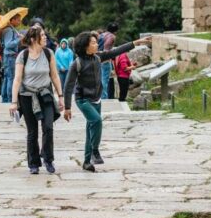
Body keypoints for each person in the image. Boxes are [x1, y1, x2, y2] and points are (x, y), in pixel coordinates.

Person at [64, 32, 152, 172]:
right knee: (97, 121)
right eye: (93, 43)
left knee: (90, 129)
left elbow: (116, 51)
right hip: (83, 99)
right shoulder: (77, 63)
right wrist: (67, 107)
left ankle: (87, 162)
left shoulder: (98, 57)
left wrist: (137, 42)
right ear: (85, 46)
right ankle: (95, 150)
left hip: (96, 99)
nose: (96, 44)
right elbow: (68, 85)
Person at [9, 26, 67, 174]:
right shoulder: (23, 55)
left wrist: (60, 97)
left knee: (48, 127)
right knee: (32, 132)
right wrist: (14, 102)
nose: (45, 37)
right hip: (27, 97)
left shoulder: (49, 53)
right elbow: (17, 79)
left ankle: (48, 159)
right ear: (34, 39)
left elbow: (54, 76)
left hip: (45, 95)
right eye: (42, 35)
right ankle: (33, 163)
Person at [0, 13, 23, 104]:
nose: (19, 22)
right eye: (18, 20)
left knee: (7, 77)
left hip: (7, 56)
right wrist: (19, 39)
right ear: (12, 20)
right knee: (11, 78)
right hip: (10, 56)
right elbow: (8, 44)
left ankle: (5, 98)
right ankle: (9, 99)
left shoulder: (9, 29)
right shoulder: (9, 30)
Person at [99, 23, 118, 99]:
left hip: (98, 60)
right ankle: (103, 98)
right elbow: (106, 47)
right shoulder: (112, 36)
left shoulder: (102, 35)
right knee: (105, 80)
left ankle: (99, 96)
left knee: (100, 79)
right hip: (105, 60)